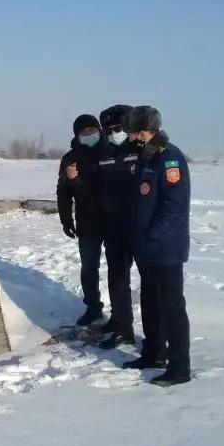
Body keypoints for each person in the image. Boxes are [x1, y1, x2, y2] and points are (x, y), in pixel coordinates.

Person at [123, 105, 192, 387]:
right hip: (147, 247)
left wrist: (152, 234)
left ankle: (179, 367)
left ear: (144, 131)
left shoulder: (169, 157)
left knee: (171, 306)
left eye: (132, 132)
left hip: (165, 247)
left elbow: (174, 204)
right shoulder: (146, 156)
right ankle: (154, 352)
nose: (129, 137)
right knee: (150, 302)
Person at [94, 104, 140, 350]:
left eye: (118, 128)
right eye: (108, 129)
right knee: (117, 278)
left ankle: (155, 337)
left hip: (139, 227)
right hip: (114, 227)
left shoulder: (143, 150)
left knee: (151, 284)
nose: (113, 132)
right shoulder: (105, 151)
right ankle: (121, 323)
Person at [56, 114, 108, 326]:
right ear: (77, 135)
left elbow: (105, 189)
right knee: (89, 267)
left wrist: (76, 180)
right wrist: (65, 219)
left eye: (91, 131)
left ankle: (121, 317)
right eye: (83, 132)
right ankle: (93, 307)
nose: (89, 135)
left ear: (99, 130)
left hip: (113, 220)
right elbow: (63, 192)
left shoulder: (110, 152)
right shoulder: (70, 159)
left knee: (117, 270)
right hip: (87, 221)